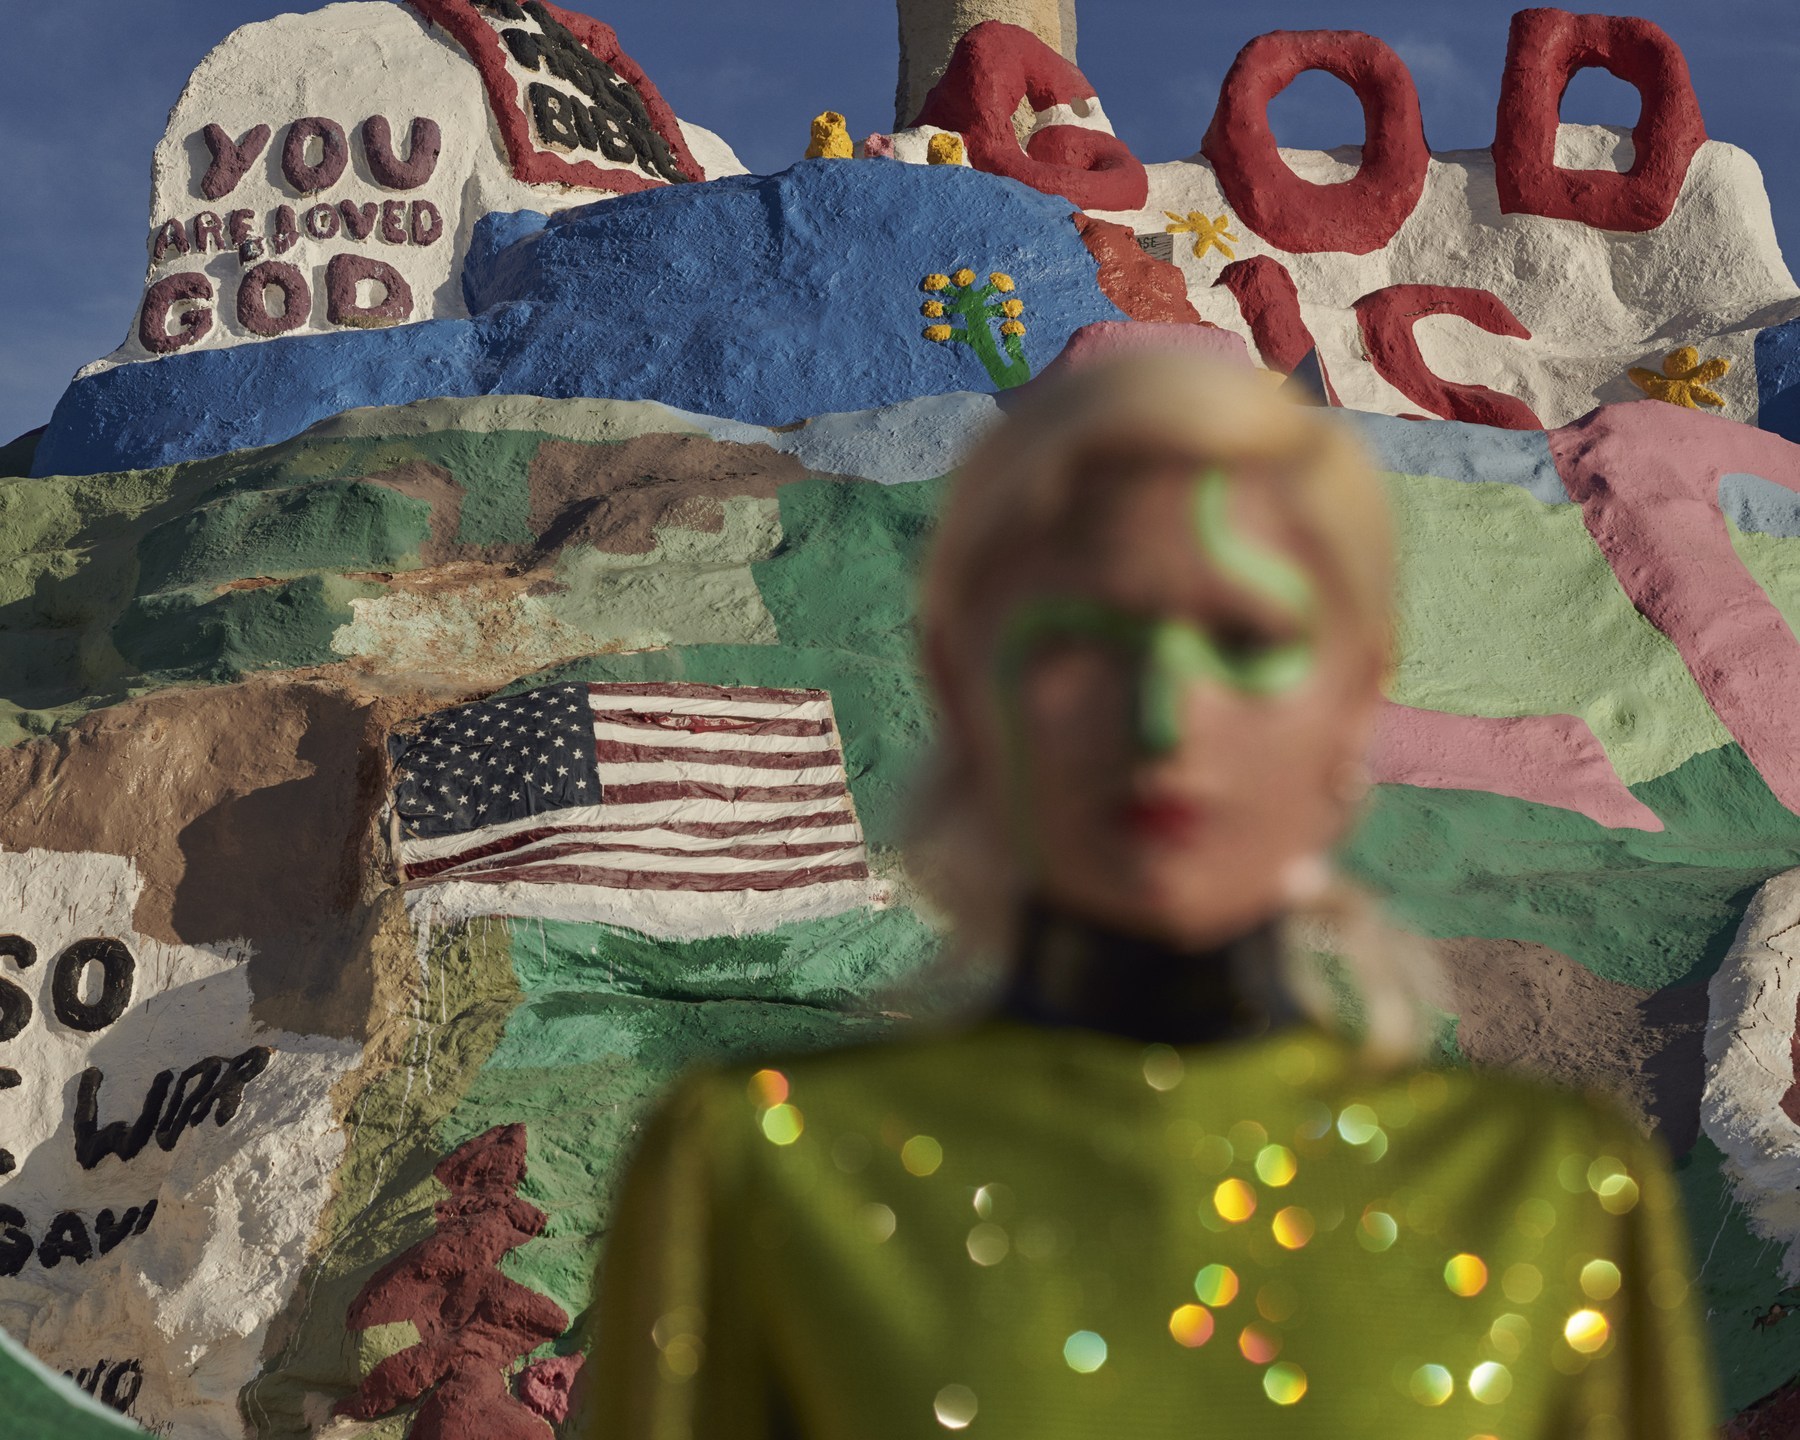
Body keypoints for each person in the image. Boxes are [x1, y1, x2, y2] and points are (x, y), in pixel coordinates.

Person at [582, 353, 1718, 1439]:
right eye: (1087, 637)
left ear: (1351, 690)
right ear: (967, 681)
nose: (1166, 720)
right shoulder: (758, 1168)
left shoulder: (1551, 1192)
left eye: (1243, 638)